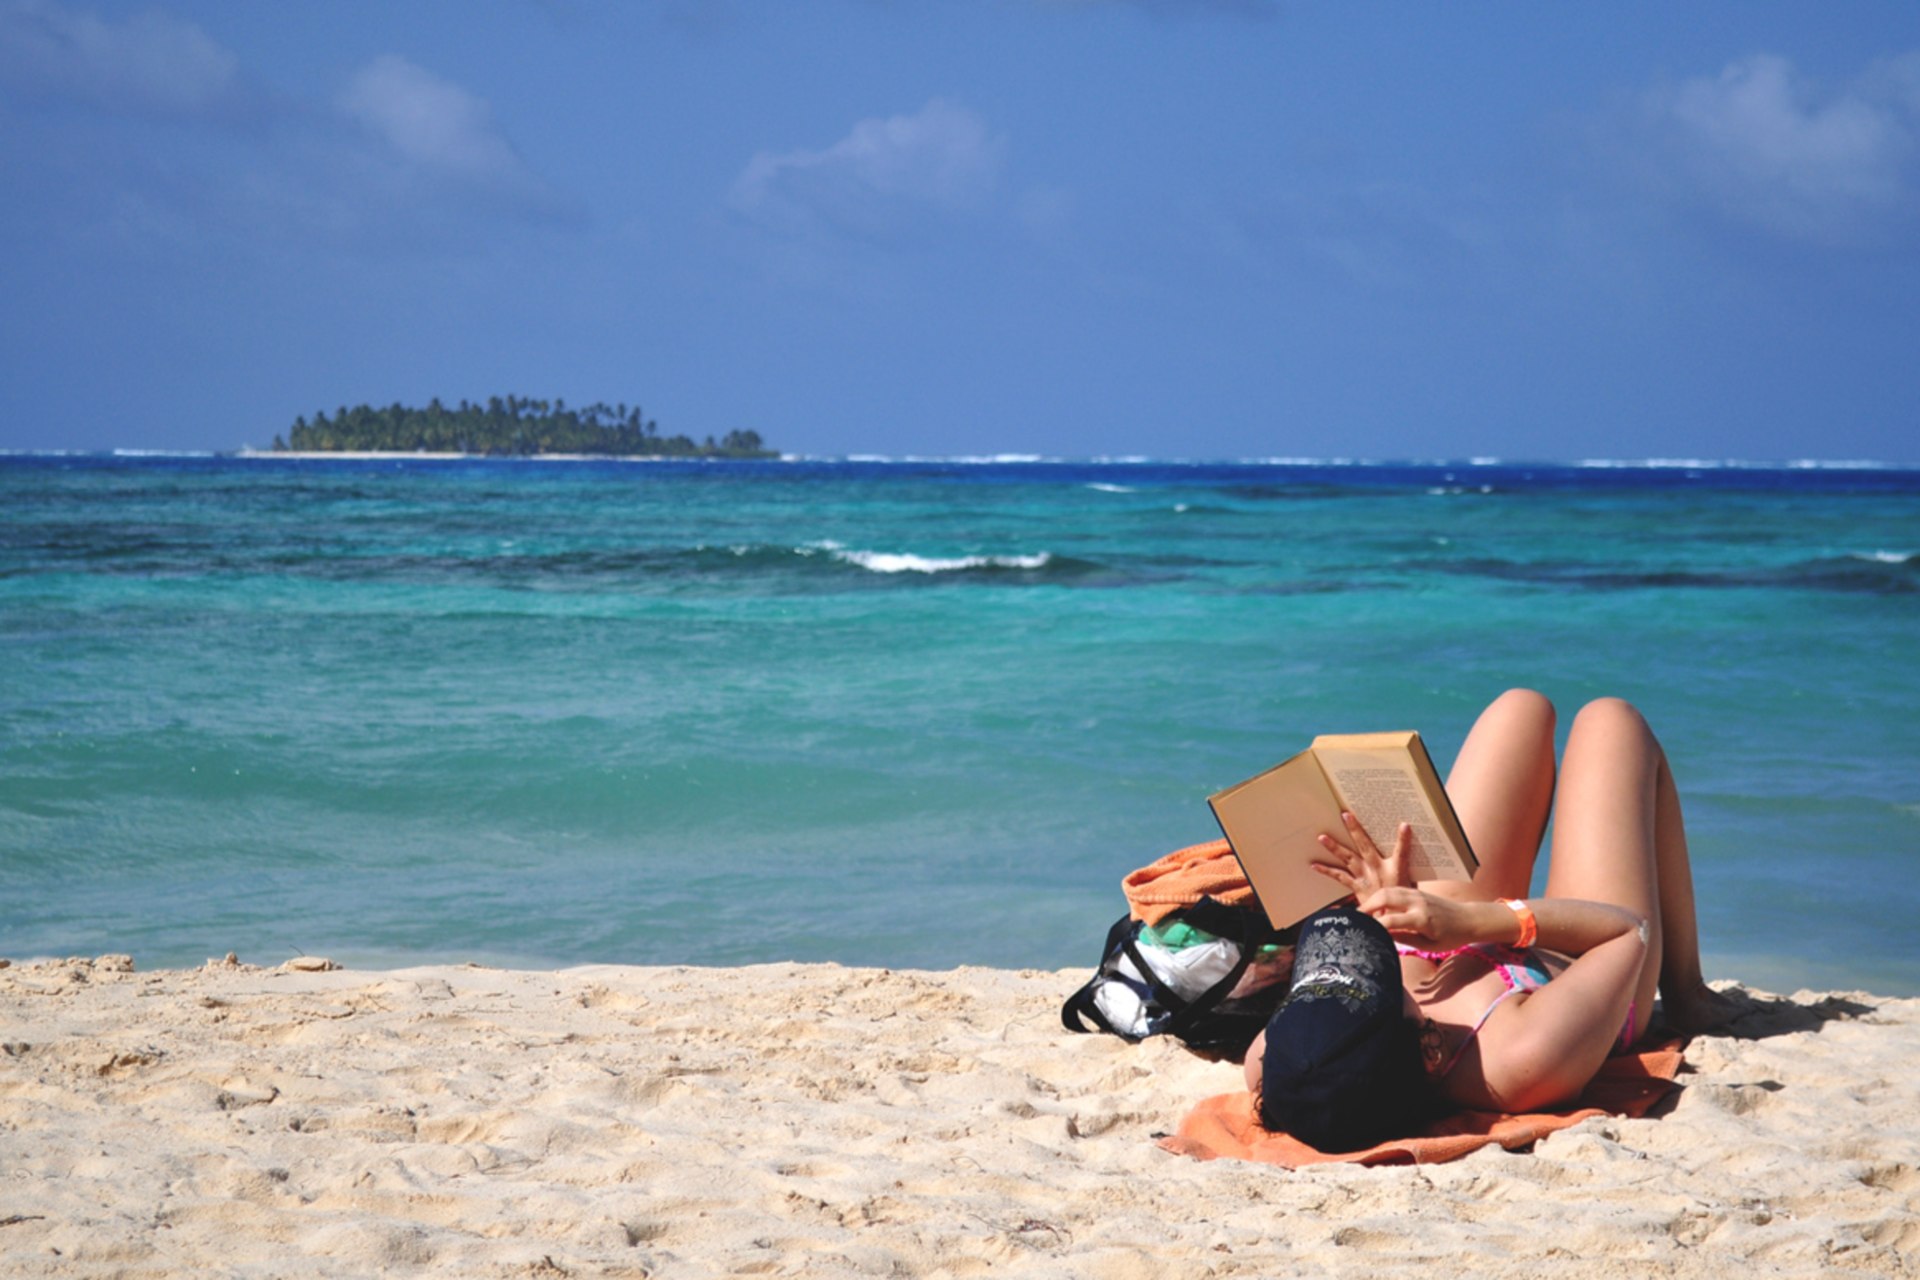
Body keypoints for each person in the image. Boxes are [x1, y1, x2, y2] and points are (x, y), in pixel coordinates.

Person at [1241, 689, 1737, 1152]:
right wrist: (1477, 922)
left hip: (1447, 930)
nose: (1355, 970)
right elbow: (1628, 932)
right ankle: (1688, 993)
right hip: (1580, 949)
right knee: (1611, 723)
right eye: (1376, 979)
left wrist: (1385, 898)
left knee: (1519, 710)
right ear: (1430, 1050)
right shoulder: (1520, 1062)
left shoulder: (1285, 1064)